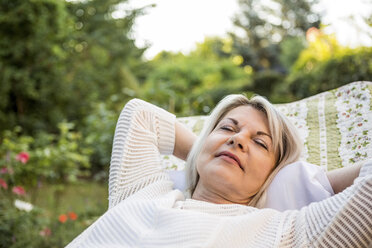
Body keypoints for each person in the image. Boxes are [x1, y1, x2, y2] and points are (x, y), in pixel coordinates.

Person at [67, 95, 371, 248]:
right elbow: (140, 115)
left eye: (260, 144)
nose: (238, 139)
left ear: (272, 174)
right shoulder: (143, 189)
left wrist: (304, 181)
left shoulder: (283, 233)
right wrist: (203, 154)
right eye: (228, 128)